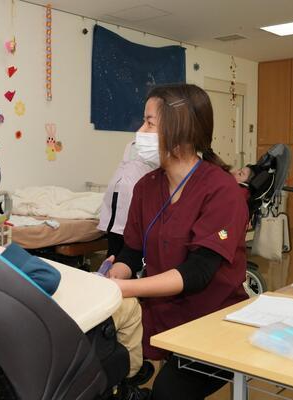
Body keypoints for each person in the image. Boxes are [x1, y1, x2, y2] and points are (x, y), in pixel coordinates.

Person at [108, 83, 249, 399]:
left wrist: (125, 289)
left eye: (149, 122)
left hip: (213, 322)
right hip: (162, 319)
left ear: (180, 128)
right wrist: (113, 276)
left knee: (169, 392)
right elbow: (131, 251)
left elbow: (198, 272)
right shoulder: (146, 187)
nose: (140, 130)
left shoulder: (222, 190)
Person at [98, 136, 159, 258]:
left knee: (127, 238)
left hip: (133, 196)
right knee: (113, 238)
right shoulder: (131, 144)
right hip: (116, 193)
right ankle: (109, 268)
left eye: (150, 122)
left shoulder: (159, 146)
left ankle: (121, 268)